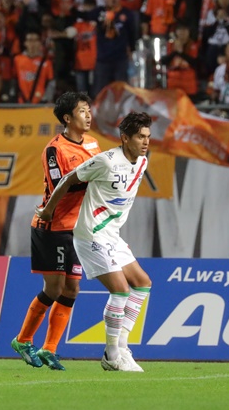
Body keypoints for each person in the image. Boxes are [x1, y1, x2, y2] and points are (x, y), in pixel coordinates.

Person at [36, 111, 153, 372]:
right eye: (139, 137)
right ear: (125, 138)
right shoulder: (106, 161)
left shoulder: (142, 162)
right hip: (91, 234)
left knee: (142, 283)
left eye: (147, 136)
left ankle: (121, 346)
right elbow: (68, 179)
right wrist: (48, 210)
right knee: (120, 290)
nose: (145, 142)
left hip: (112, 235)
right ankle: (112, 355)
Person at [11, 91, 101, 371]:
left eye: (89, 110)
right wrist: (91, 178)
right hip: (53, 227)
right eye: (82, 111)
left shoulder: (93, 144)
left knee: (72, 289)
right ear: (67, 118)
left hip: (78, 229)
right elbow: (59, 186)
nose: (88, 115)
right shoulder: (55, 150)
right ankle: (23, 340)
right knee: (54, 288)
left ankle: (49, 348)